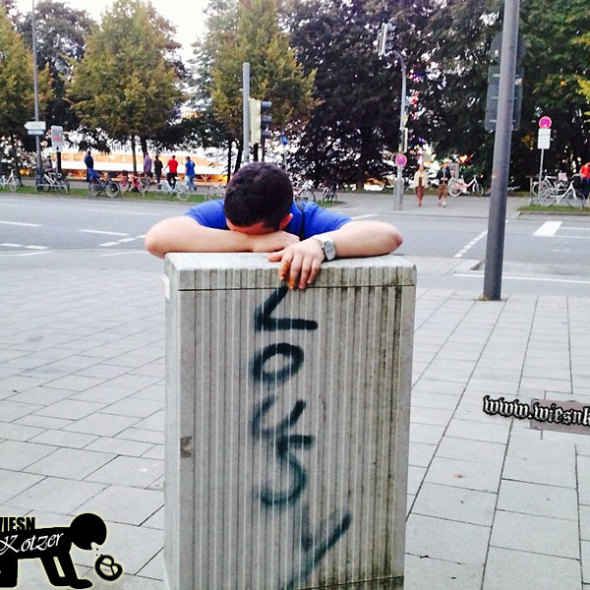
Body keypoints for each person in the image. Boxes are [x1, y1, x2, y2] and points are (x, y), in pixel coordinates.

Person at [145, 162, 403, 290]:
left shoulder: (304, 217)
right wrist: (251, 242)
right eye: (231, 228)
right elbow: (157, 239)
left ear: (284, 222)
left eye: (251, 232)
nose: (234, 234)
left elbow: (388, 236)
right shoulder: (229, 208)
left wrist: (320, 245)